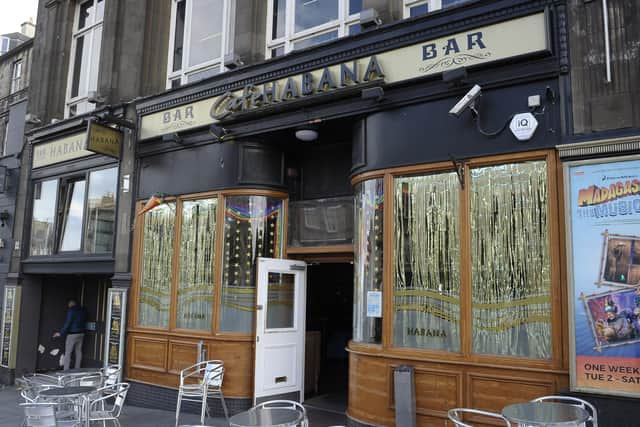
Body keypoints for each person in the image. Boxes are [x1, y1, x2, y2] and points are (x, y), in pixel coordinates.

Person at [53, 298, 87, 370]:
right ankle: (77, 368)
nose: (68, 305)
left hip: (72, 334)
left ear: (71, 303)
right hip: (81, 333)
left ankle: (66, 370)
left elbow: (68, 323)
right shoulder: (82, 310)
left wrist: (60, 333)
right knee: (78, 352)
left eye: (68, 304)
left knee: (68, 353)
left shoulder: (71, 311)